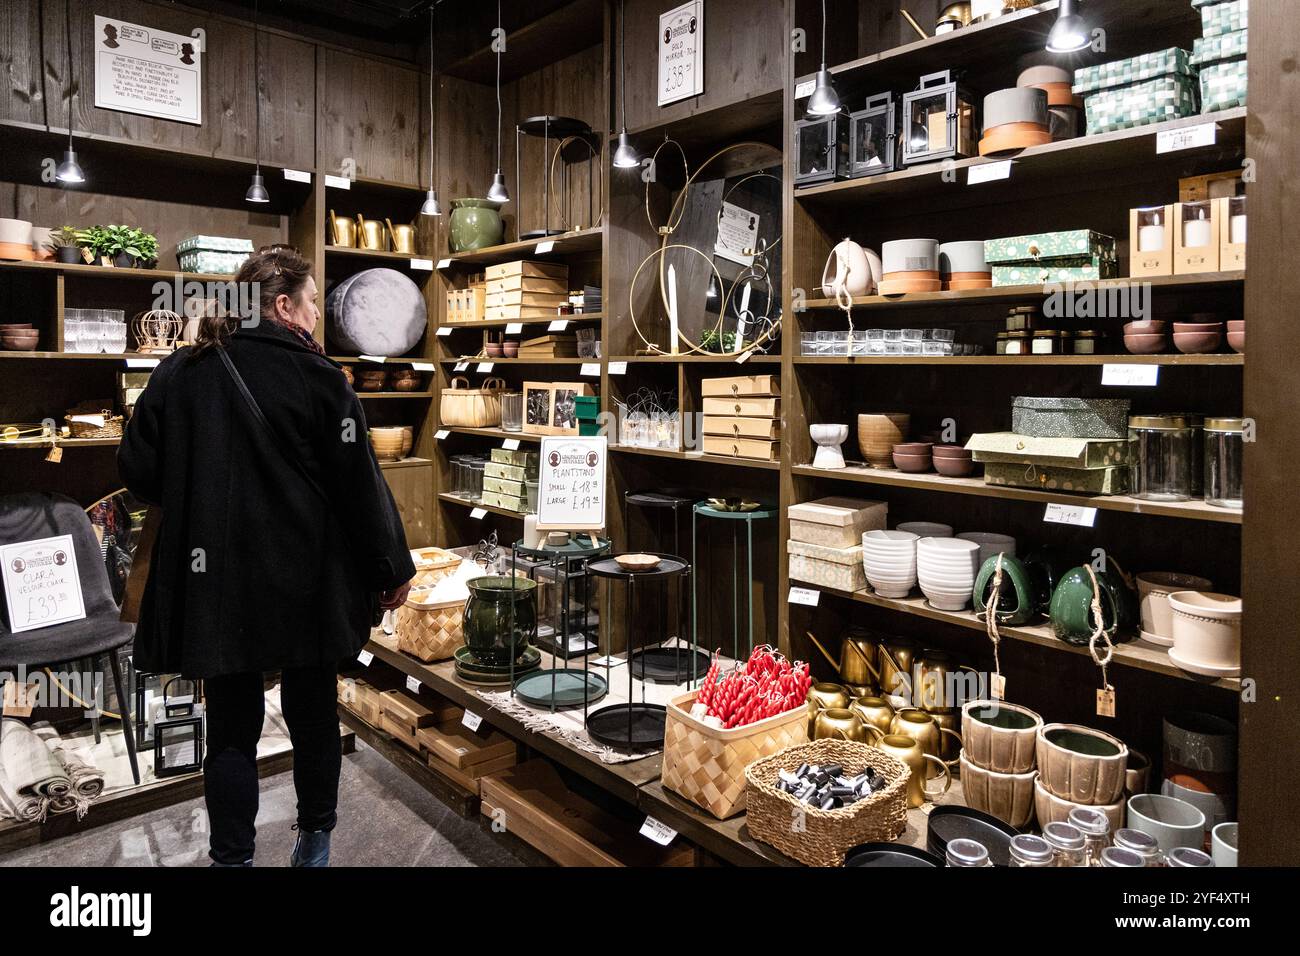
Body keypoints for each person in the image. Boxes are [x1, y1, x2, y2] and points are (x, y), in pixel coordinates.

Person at [119, 246, 414, 866]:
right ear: (283, 305)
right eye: (310, 303)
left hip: (217, 586)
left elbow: (140, 473)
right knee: (311, 715)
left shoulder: (182, 371)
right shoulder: (320, 379)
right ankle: (313, 846)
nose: (314, 317)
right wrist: (391, 570)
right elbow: (360, 485)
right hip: (306, 583)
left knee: (230, 727)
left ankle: (232, 859)